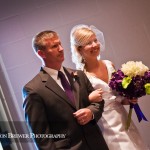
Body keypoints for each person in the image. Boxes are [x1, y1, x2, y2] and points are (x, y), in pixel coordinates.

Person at [22, 30, 109, 150]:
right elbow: (41, 137)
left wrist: (91, 112)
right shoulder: (33, 89)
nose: (61, 49)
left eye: (60, 44)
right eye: (54, 46)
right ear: (41, 53)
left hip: (97, 145)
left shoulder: (78, 74)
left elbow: (98, 102)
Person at [70, 24, 149, 150]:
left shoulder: (109, 64)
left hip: (122, 117)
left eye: (95, 40)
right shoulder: (79, 75)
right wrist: (90, 99)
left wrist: (127, 100)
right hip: (105, 123)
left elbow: (116, 96)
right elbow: (80, 106)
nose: (95, 45)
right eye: (88, 43)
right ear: (79, 49)